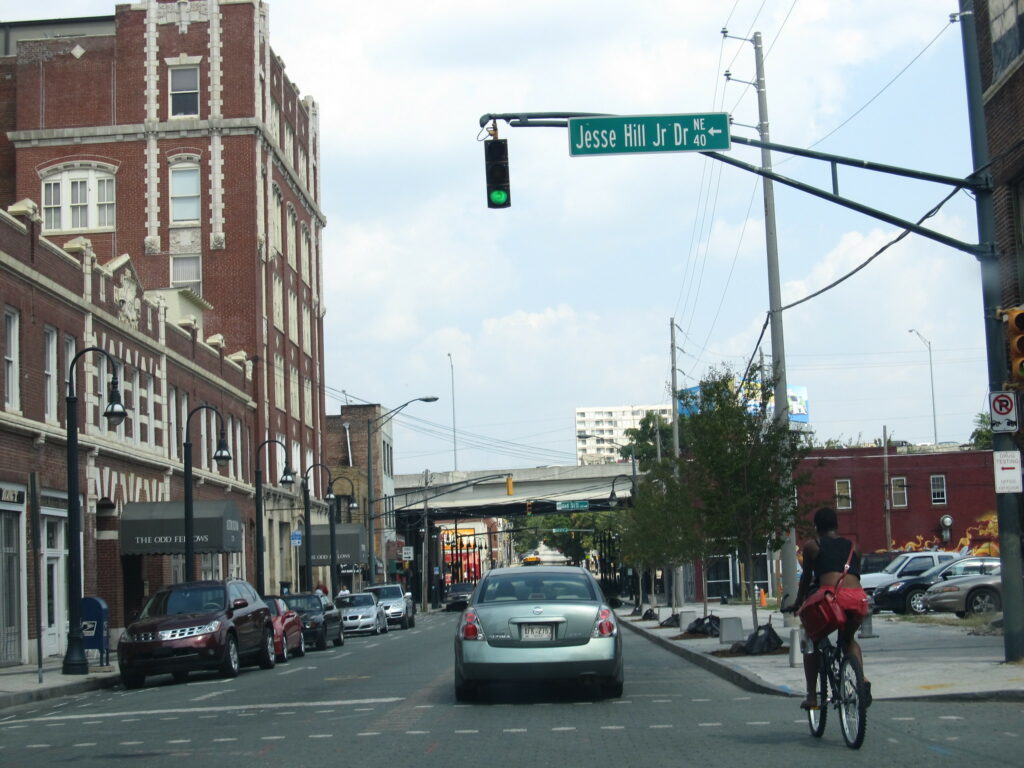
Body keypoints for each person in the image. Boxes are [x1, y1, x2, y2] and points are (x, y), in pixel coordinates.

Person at [793, 506, 871, 710]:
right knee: (848, 639)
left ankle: (811, 696)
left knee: (812, 638)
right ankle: (861, 680)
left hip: (831, 599)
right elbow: (855, 576)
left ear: (816, 526)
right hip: (858, 598)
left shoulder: (812, 546)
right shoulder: (855, 547)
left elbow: (806, 579)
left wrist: (798, 602)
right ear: (837, 525)